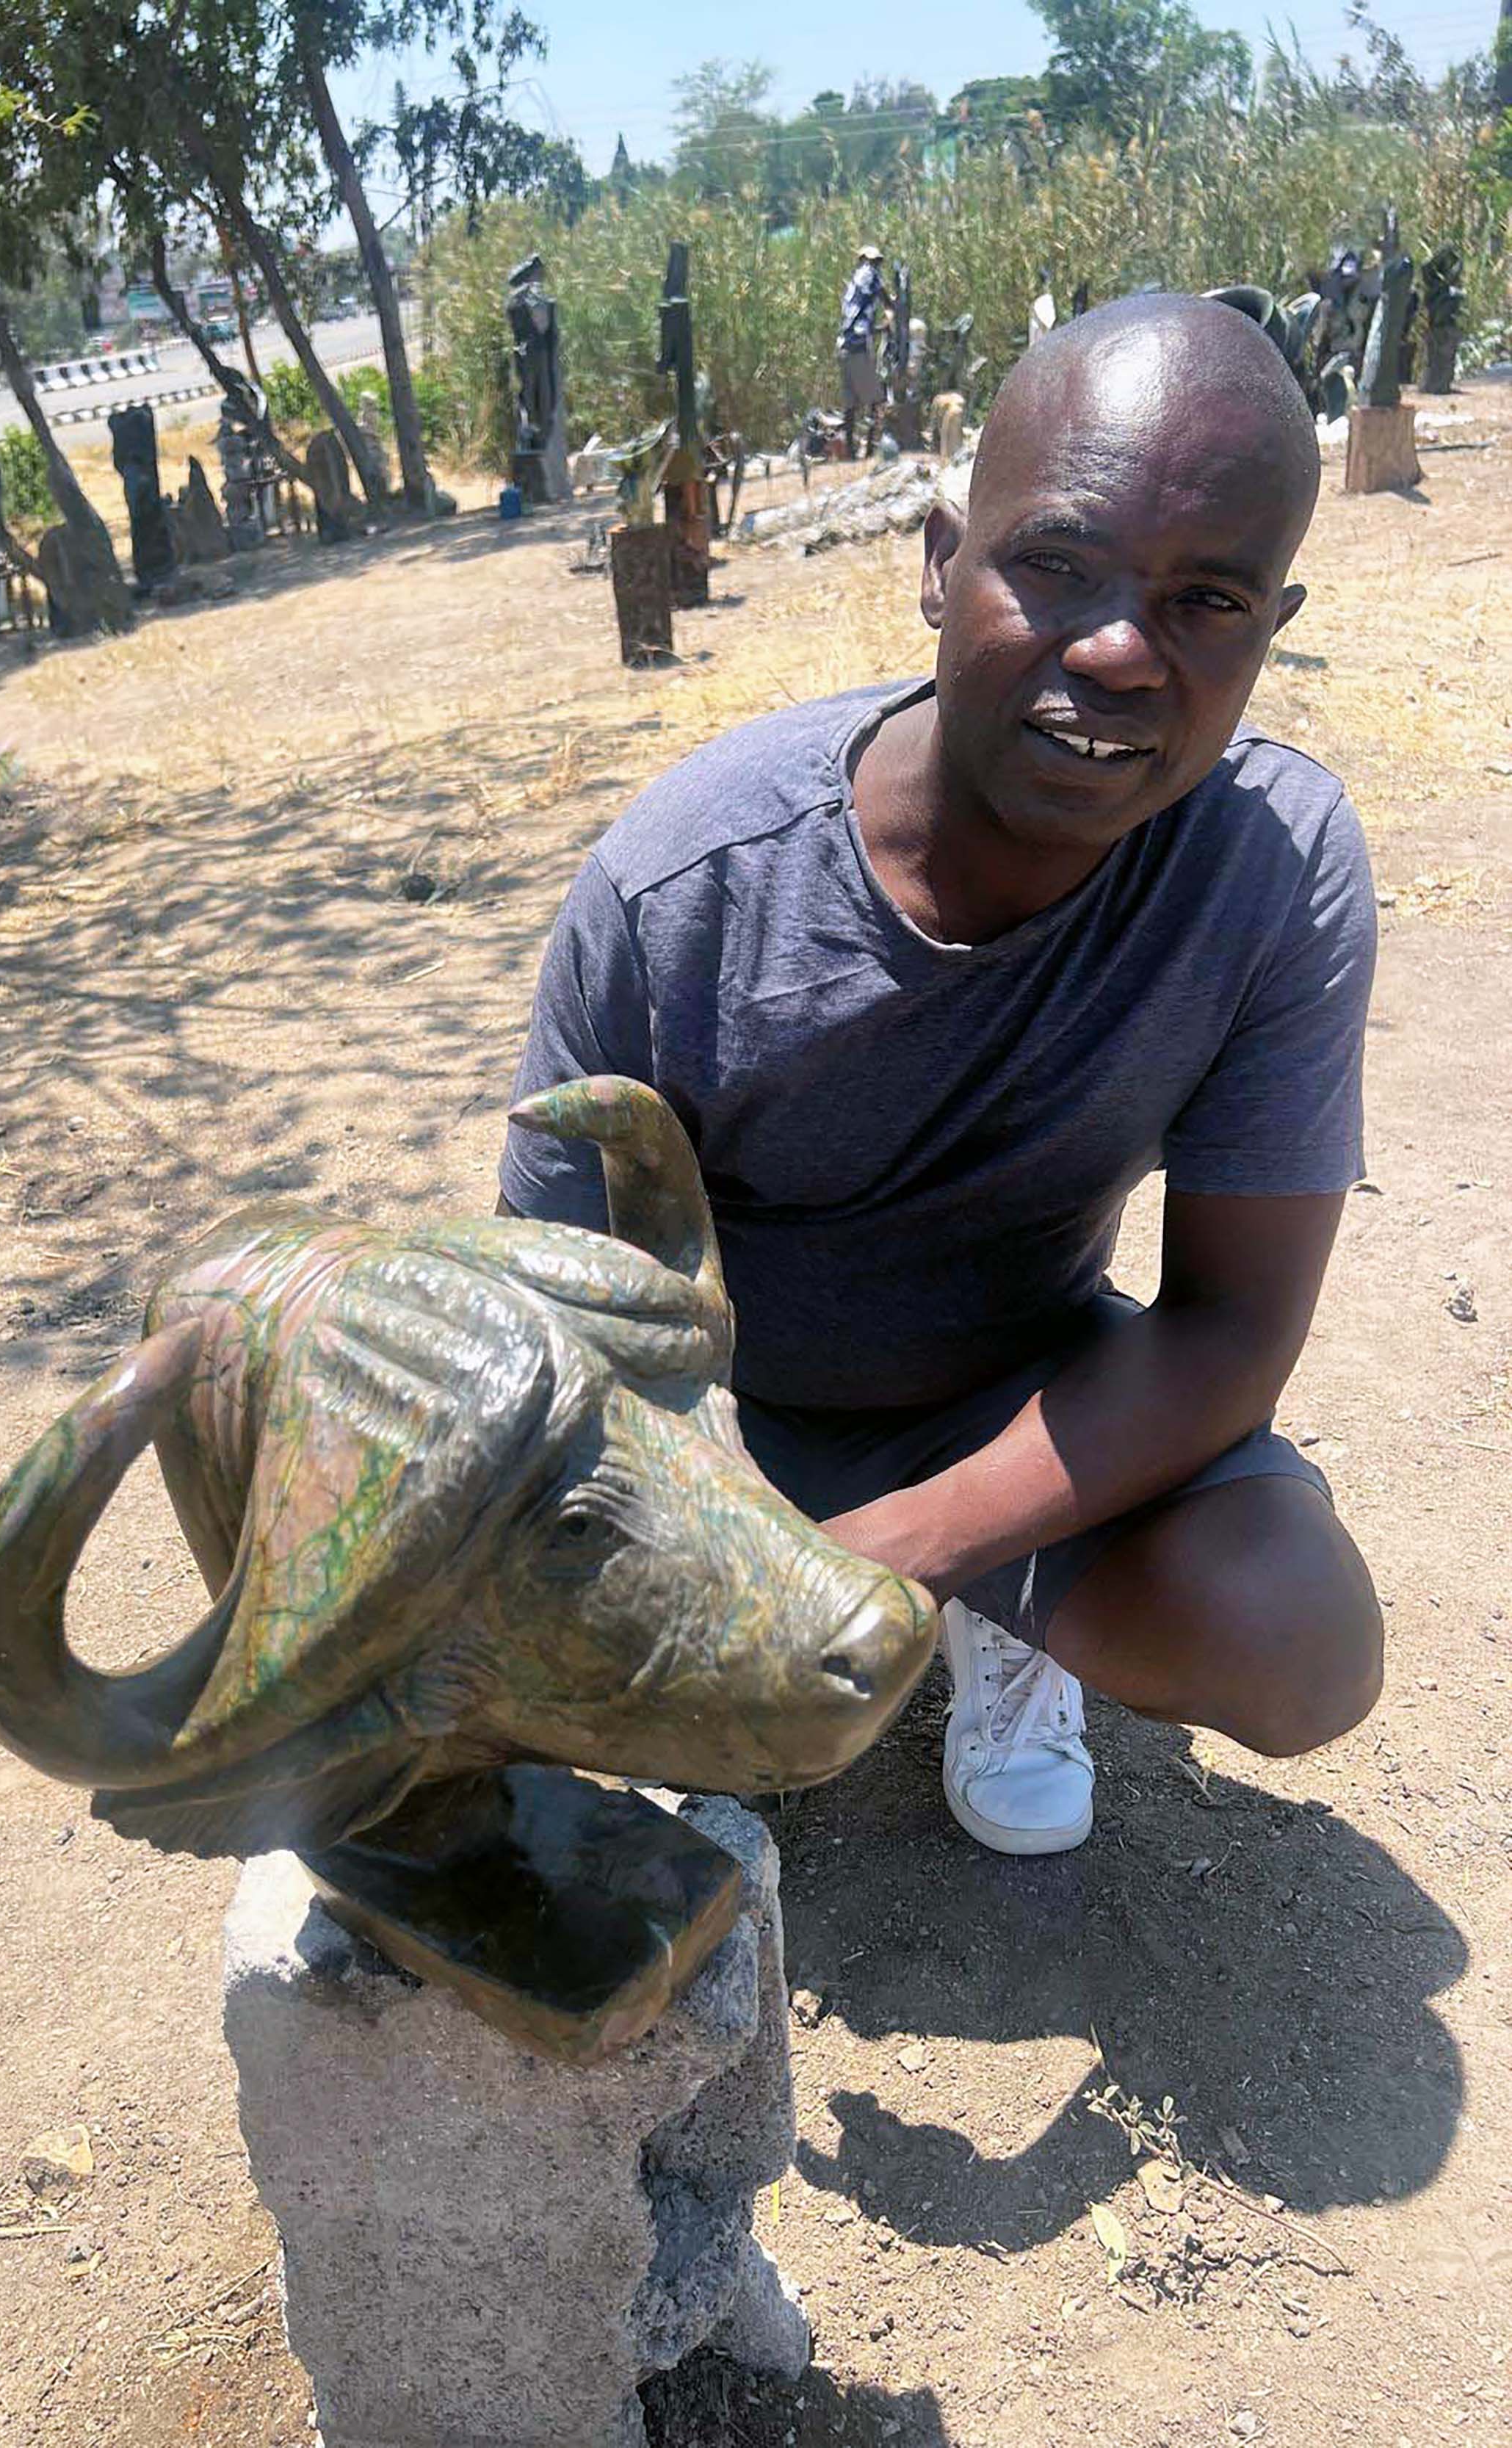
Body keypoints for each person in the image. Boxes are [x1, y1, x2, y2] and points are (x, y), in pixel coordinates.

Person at [499, 292, 1383, 1857]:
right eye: (1052, 564)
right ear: (934, 561)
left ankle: (1001, 1609)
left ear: (1271, 626)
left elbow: (1231, 1325)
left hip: (1022, 1401)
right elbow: (557, 1327)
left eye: (1206, 601)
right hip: (726, 1426)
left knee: (1294, 1637)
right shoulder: (681, 895)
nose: (1117, 649)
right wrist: (699, 1553)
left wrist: (879, 1563)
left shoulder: (1268, 864)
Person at [837, 243, 893, 458]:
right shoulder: (870, 275)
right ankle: (870, 450)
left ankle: (851, 452)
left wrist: (877, 329)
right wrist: (892, 313)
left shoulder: (853, 284)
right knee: (876, 400)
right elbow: (887, 300)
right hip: (858, 347)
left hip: (843, 346)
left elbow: (856, 320)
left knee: (850, 404)